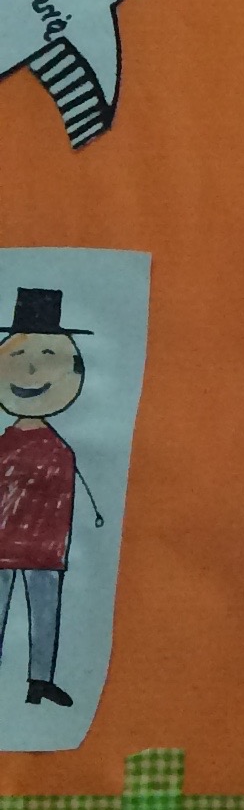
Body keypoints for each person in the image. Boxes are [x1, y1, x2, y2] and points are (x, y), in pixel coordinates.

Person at [0, 287, 101, 708]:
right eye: (18, 357)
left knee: (46, 615)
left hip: (46, 550)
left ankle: (40, 681)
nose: (31, 371)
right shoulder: (6, 445)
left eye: (48, 357)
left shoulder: (62, 450)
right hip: (3, 547)